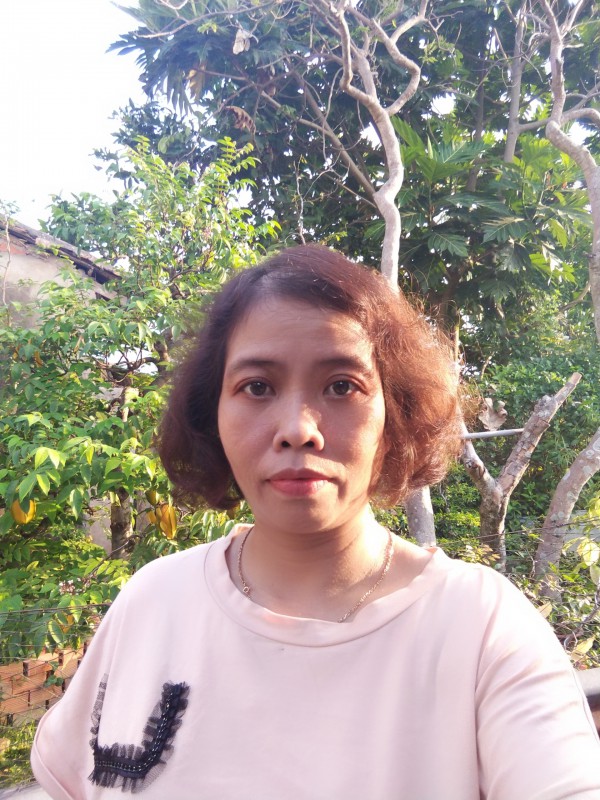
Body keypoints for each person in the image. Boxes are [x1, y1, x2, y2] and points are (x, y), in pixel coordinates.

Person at [32, 245, 600, 799]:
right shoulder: (153, 600)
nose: (298, 430)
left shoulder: (481, 627)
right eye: (257, 387)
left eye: (342, 386)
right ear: (213, 414)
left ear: (395, 414)